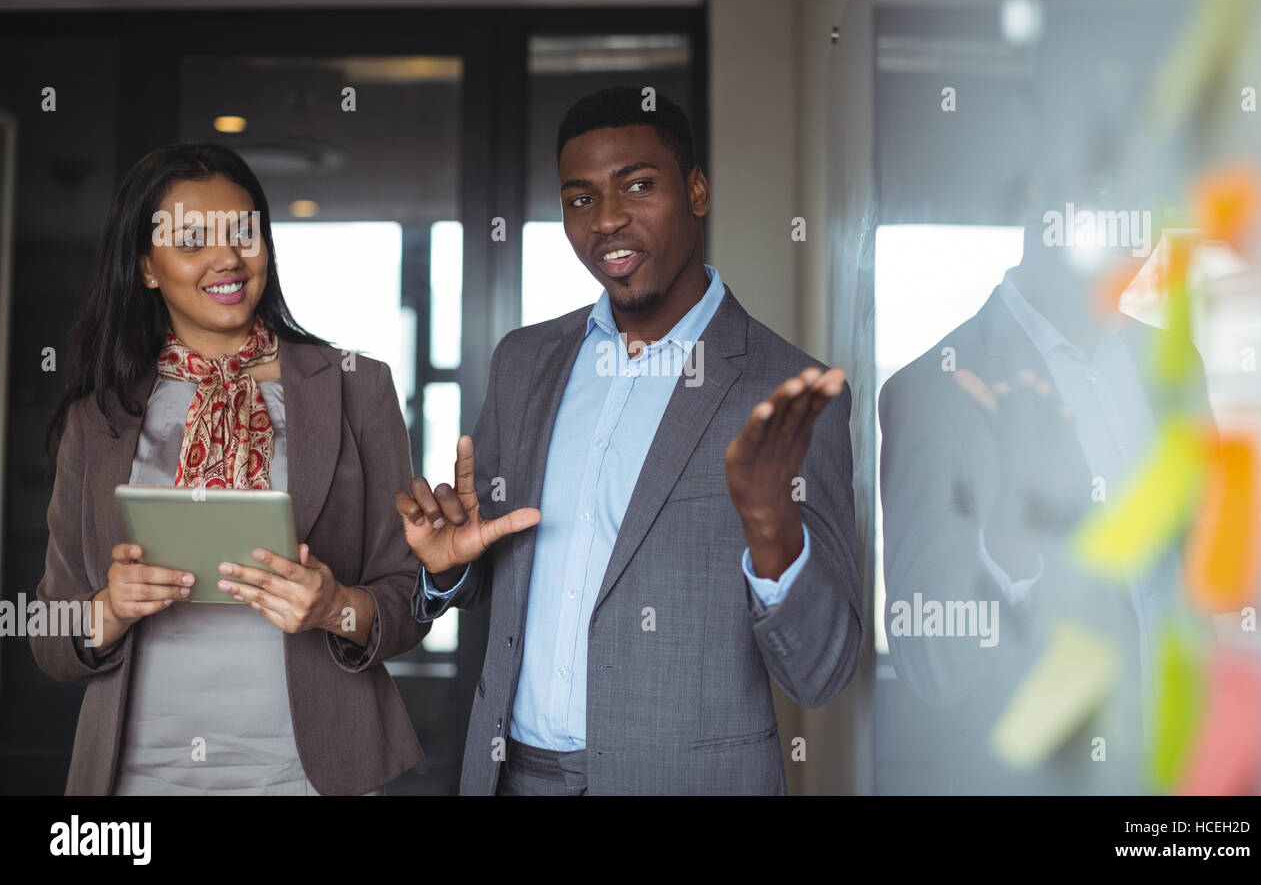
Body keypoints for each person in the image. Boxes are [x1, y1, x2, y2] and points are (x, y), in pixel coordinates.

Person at [398, 87, 863, 795]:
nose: (608, 220)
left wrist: (772, 528)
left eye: (638, 186)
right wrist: (448, 569)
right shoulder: (523, 363)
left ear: (697, 190)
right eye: (580, 199)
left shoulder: (791, 388)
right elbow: (492, 563)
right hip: (509, 776)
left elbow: (821, 671)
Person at [35, 142, 429, 795]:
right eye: (192, 240)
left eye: (242, 232)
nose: (227, 259)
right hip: (141, 776)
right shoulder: (97, 418)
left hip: (312, 776)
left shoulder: (357, 388)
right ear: (146, 267)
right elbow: (50, 637)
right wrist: (110, 607)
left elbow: (410, 601)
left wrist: (335, 607)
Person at [878, 190, 1215, 793]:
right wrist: (1009, 545)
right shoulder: (934, 392)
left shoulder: (1173, 362)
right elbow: (928, 662)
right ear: (1039, 204)